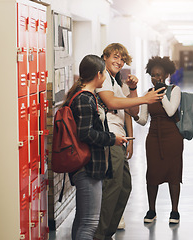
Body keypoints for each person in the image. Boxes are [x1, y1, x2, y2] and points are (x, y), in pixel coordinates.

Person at [94, 43, 165, 240]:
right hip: (109, 138)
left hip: (118, 138)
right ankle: (100, 235)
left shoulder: (115, 81)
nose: (119, 61)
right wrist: (143, 98)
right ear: (105, 57)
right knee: (113, 186)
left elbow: (132, 112)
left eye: (122, 59)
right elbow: (112, 103)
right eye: (115, 57)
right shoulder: (103, 77)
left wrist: (133, 89)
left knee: (124, 186)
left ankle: (107, 232)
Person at [67, 55, 128, 240]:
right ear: (99, 74)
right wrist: (112, 139)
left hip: (91, 166)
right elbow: (85, 133)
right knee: (89, 223)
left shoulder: (88, 96)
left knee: (82, 220)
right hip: (88, 167)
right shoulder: (84, 99)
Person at [134, 56, 183, 224]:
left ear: (167, 75)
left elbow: (170, 112)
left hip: (173, 138)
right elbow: (142, 120)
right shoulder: (147, 94)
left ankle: (175, 211)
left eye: (160, 75)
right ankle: (151, 210)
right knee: (152, 174)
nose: (157, 78)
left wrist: (161, 94)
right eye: (153, 75)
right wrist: (132, 114)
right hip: (153, 138)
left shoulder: (174, 90)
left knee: (173, 174)